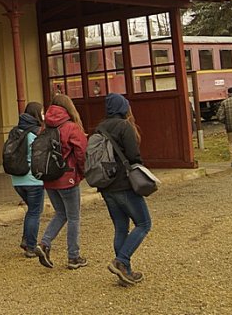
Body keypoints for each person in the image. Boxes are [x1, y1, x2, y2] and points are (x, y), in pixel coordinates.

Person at [96, 93, 152, 286]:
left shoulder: (100, 128)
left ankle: (125, 272)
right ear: (123, 107)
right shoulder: (124, 126)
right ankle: (121, 261)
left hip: (106, 186)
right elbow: (133, 156)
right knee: (144, 223)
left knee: (120, 227)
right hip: (124, 185)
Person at [35, 93, 88, 270]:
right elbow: (81, 153)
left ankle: (44, 243)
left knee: (61, 213)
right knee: (73, 217)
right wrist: (83, 173)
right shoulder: (71, 127)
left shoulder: (44, 127)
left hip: (49, 179)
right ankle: (74, 256)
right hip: (68, 178)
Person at [9, 102, 45, 258]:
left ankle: (26, 239)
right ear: (36, 114)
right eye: (42, 112)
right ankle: (31, 246)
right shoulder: (35, 133)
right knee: (35, 212)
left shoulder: (15, 131)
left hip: (17, 180)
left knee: (31, 211)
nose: (44, 115)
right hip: (33, 180)